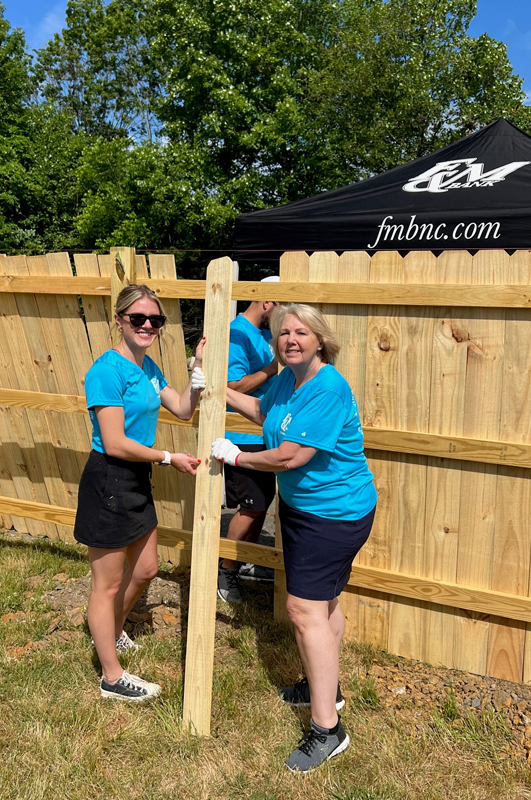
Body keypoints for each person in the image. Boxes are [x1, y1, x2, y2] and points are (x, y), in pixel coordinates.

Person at [211, 303, 377, 772]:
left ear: (319, 340)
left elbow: (290, 457)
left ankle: (327, 730)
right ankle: (325, 688)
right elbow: (262, 407)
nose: (291, 340)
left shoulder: (327, 387)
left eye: (301, 333)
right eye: (284, 333)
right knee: (321, 606)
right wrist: (217, 389)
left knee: (302, 610)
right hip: (307, 512)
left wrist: (237, 459)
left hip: (335, 515)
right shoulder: (289, 378)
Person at [74, 284, 206, 702]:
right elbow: (114, 443)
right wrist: (168, 456)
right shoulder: (106, 371)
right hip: (109, 480)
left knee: (147, 567)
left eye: (155, 320)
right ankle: (111, 677)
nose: (147, 325)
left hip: (136, 480)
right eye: (138, 318)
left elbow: (183, 409)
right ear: (120, 320)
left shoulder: (149, 368)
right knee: (106, 585)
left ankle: (112, 631)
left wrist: (197, 375)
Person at [218, 279, 280, 604]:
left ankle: (246, 562)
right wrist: (271, 370)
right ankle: (225, 571)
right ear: (267, 301)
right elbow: (232, 387)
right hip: (241, 436)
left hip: (264, 433)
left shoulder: (265, 335)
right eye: (282, 306)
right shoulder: (236, 334)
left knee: (262, 504)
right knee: (251, 505)